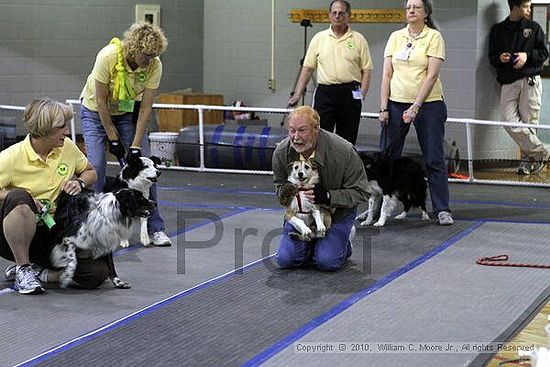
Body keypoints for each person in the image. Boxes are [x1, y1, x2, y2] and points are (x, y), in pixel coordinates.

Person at [80, 22, 171, 246]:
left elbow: (146, 109)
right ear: (134, 48)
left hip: (125, 113)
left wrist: (135, 145)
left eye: (154, 55)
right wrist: (112, 138)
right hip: (94, 112)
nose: (150, 60)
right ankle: (95, 226)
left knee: (147, 169)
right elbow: (101, 101)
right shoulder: (108, 56)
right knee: (97, 167)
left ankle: (155, 228)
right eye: (147, 55)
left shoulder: (154, 65)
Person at [0, 98, 102, 295]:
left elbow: (90, 172)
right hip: (14, 231)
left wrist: (79, 182)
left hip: (53, 233)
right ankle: (22, 267)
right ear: (44, 129)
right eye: (61, 127)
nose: (66, 131)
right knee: (19, 197)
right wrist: (25, 199)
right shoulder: (11, 157)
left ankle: (39, 273)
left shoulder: (68, 147)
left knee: (96, 273)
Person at [378, 0, 454, 226]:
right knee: (387, 159)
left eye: (417, 7)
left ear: (426, 13)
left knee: (433, 158)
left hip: (428, 105)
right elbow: (386, 75)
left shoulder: (434, 38)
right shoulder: (395, 37)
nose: (411, 10)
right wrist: (383, 107)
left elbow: (431, 76)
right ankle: (382, 210)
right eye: (409, 7)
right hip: (395, 103)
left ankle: (442, 209)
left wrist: (415, 107)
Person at [272, 106, 368, 271]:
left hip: (337, 213)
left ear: (317, 128)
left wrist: (328, 197)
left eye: (302, 130)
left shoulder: (344, 152)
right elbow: (279, 187)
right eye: (292, 131)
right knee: (286, 260)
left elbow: (361, 192)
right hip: (300, 214)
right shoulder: (282, 152)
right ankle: (313, 245)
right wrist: (290, 193)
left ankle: (344, 241)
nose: (296, 137)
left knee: (327, 262)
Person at [287, 0, 373, 145]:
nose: (337, 16)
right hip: (325, 93)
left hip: (350, 92)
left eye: (341, 13)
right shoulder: (319, 38)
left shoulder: (359, 39)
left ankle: (344, 167)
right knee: (319, 136)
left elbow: (367, 70)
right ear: (329, 15)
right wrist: (297, 94)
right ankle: (320, 167)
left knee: (347, 139)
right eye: (334, 13)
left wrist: (361, 95)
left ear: (348, 15)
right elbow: (307, 69)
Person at [489, 0, 550, 175]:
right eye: (525, 6)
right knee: (507, 119)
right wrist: (501, 58)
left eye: (529, 6)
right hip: (508, 81)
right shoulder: (498, 30)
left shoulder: (534, 27)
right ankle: (542, 152)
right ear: (515, 7)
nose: (529, 10)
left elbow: (544, 54)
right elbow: (491, 57)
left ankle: (527, 162)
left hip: (530, 80)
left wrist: (527, 55)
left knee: (529, 123)